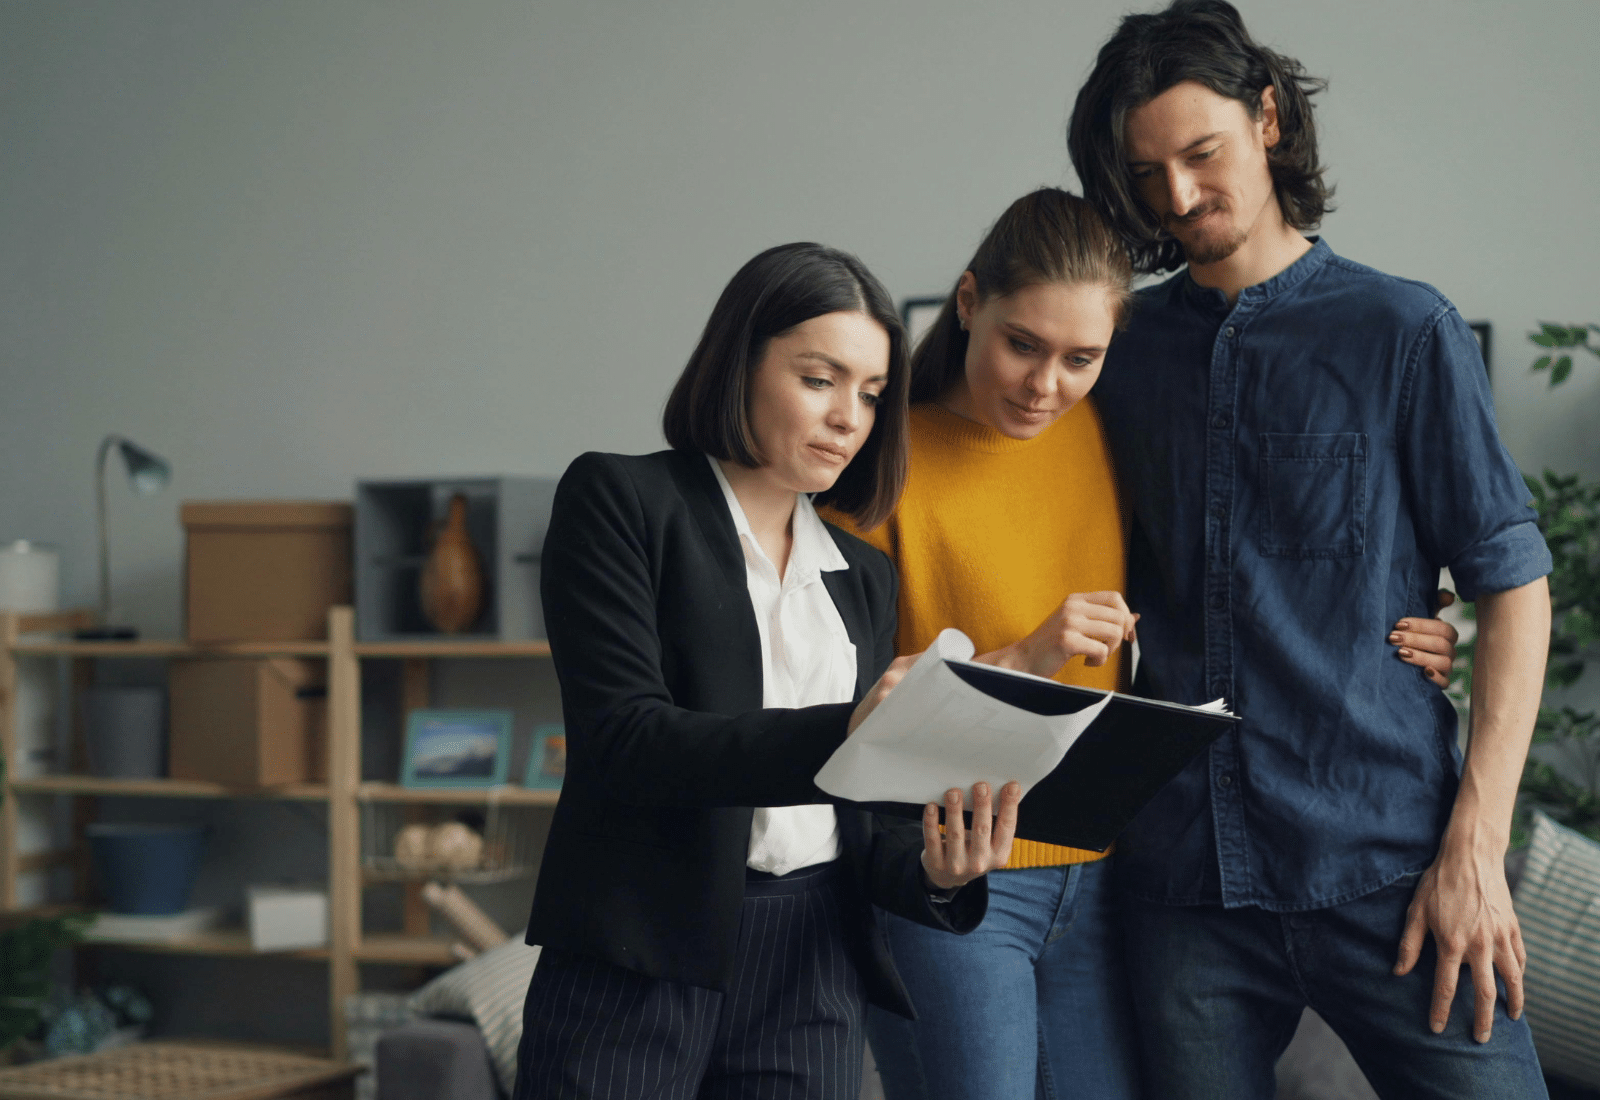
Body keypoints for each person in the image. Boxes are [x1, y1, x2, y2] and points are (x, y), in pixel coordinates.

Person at [1066, 2, 1554, 1097]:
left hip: (1384, 860)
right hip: (1183, 877)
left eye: (1202, 154)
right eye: (1148, 175)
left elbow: (1511, 580)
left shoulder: (1402, 331)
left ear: (1269, 117)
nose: (1180, 198)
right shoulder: (1120, 352)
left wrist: (1474, 849)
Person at [513, 241, 1023, 1100]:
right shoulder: (620, 502)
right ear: (738, 362)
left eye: (869, 394)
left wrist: (939, 870)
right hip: (645, 950)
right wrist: (852, 727)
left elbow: (867, 823)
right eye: (819, 379)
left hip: (815, 959)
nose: (848, 419)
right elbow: (625, 740)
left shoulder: (862, 574)